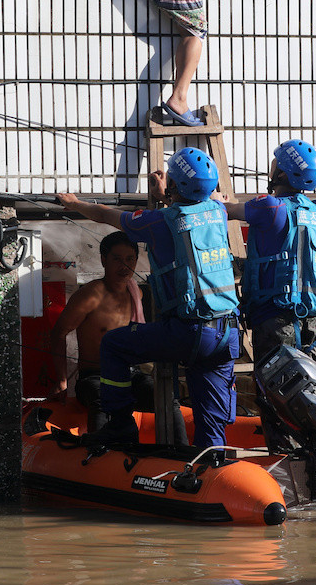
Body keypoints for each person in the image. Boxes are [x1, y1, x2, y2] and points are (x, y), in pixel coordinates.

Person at [54, 147, 240, 452]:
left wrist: (75, 203)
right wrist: (167, 194)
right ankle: (212, 463)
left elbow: (104, 215)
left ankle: (121, 426)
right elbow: (191, 209)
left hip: (188, 332)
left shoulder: (156, 221)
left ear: (176, 184)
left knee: (114, 344)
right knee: (210, 419)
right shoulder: (217, 211)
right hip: (225, 334)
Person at [221, 140, 316, 373]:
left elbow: (230, 209)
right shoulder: (315, 213)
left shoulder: (270, 207)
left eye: (275, 162)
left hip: (277, 319)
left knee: (276, 394)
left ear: (282, 172)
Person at [47, 232, 145, 431]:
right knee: (103, 400)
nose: (124, 266)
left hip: (130, 373)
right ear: (103, 260)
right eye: (116, 259)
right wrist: (62, 380)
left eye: (129, 259)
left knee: (164, 396)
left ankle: (177, 455)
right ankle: (98, 454)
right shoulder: (91, 294)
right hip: (94, 377)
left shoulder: (137, 292)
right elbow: (58, 332)